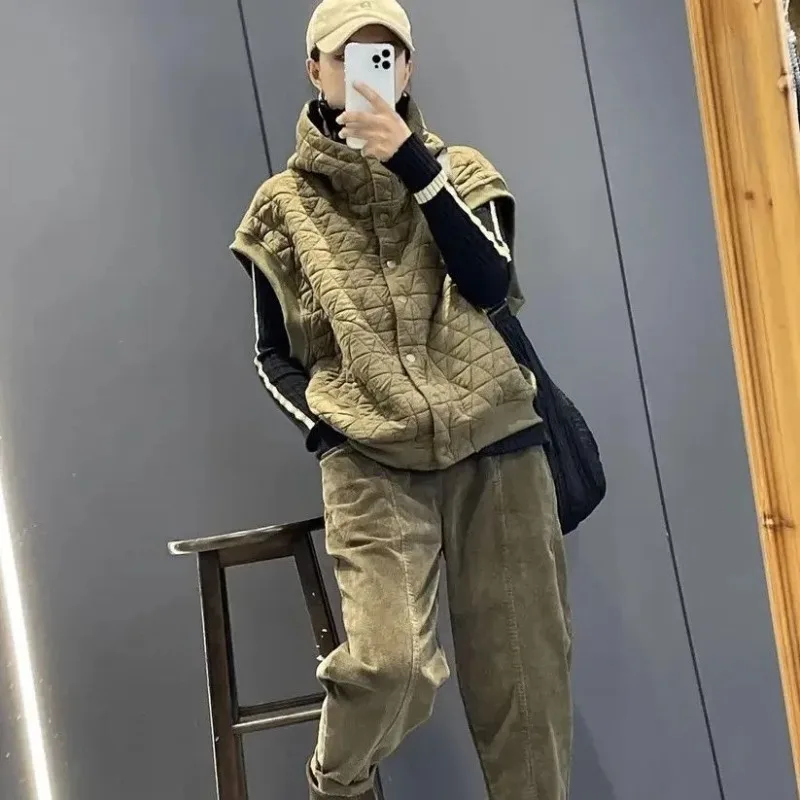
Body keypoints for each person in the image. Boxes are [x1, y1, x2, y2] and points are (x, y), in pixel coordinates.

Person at [230, 1, 572, 797]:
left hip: (497, 446)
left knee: (527, 686)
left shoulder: (462, 169)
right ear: (315, 71)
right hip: (373, 465)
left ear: (408, 69)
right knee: (391, 666)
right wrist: (331, 431)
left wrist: (416, 167)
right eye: (347, 57)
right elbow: (272, 353)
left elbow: (491, 285)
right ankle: (336, 785)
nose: (367, 73)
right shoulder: (281, 207)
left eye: (385, 57)